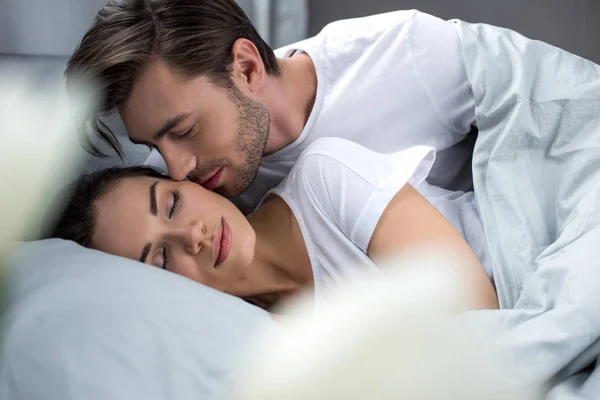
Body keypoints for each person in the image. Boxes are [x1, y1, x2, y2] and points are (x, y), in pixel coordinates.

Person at [65, 0, 476, 213]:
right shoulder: (181, 203)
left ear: (246, 68)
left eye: (185, 130)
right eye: (154, 145)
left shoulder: (406, 51)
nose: (177, 169)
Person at [51, 137, 498, 312]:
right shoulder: (255, 346)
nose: (192, 235)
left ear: (186, 182)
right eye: (161, 259)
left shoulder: (325, 179)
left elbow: (483, 315)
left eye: (171, 205)